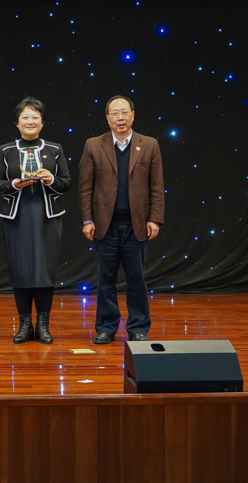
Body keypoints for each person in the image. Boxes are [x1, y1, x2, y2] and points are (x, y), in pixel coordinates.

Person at [79, 95, 164, 344]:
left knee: (136, 279)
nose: (120, 118)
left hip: (137, 224)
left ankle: (138, 328)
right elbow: (85, 187)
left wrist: (155, 219)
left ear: (133, 116)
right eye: (115, 113)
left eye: (124, 112)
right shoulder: (93, 145)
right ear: (107, 118)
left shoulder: (149, 144)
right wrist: (87, 220)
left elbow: (157, 186)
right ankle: (106, 327)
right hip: (105, 225)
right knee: (105, 279)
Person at [0, 97, 71, 344]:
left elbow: (66, 182)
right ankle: (24, 324)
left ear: (42, 123)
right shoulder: (6, 150)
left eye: (35, 117)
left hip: (47, 217)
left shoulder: (55, 149)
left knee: (45, 271)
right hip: (17, 217)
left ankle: (43, 325)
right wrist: (15, 184)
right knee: (21, 270)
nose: (30, 121)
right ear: (17, 123)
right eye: (25, 117)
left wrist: (51, 179)